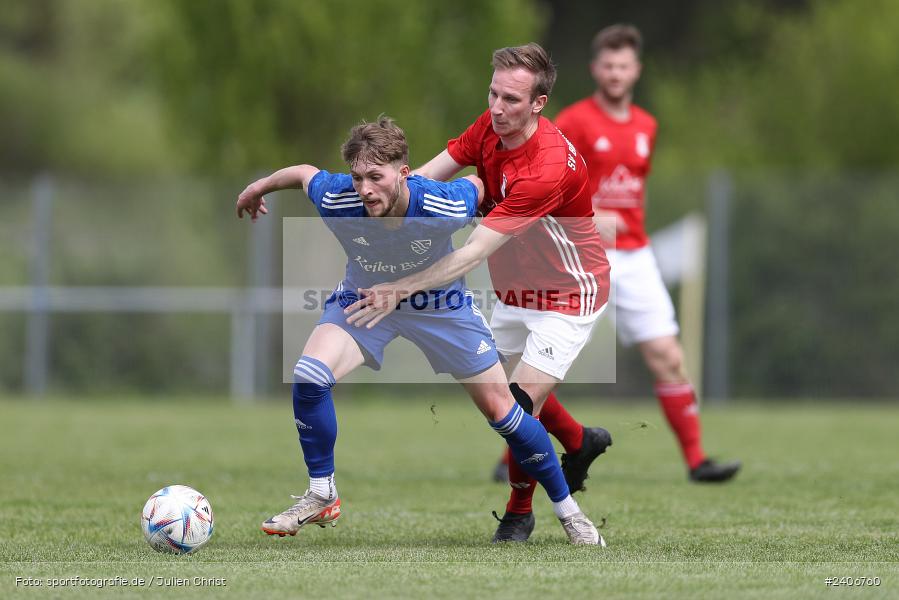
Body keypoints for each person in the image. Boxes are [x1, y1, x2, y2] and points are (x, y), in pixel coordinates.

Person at [236, 116, 602, 545]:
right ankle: (321, 493)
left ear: (404, 173)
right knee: (309, 377)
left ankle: (568, 511)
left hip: (441, 307)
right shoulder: (339, 198)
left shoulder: (440, 203)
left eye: (376, 177)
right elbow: (303, 174)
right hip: (368, 299)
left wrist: (506, 213)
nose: (365, 189)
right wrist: (258, 187)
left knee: (506, 413)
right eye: (357, 177)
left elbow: (480, 187)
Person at [342, 45, 613, 543]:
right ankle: (579, 441)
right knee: (496, 395)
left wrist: (398, 288)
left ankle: (518, 513)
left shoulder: (546, 167)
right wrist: (376, 201)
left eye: (511, 98)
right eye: (493, 93)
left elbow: (471, 252)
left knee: (515, 406)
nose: (497, 106)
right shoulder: (490, 128)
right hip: (514, 290)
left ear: (539, 104)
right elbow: (423, 177)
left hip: (568, 294)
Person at [491, 25, 741, 516]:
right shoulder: (576, 120)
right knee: (540, 360)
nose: (615, 73)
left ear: (636, 71)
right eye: (607, 65)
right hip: (580, 257)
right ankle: (510, 456)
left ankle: (696, 461)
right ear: (595, 69)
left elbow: (630, 191)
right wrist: (588, 217)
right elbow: (552, 174)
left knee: (669, 356)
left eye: (624, 65)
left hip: (634, 255)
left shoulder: (647, 125)